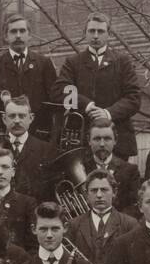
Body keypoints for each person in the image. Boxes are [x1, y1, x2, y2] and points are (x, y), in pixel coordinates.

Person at [50, 13, 144, 161]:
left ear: (109, 35)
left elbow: (133, 99)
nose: (95, 36)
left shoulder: (122, 61)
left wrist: (108, 113)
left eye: (100, 31)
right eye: (91, 31)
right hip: (81, 139)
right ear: (85, 34)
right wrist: (86, 105)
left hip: (117, 140)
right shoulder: (73, 62)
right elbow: (59, 90)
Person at [0, 14, 58, 141]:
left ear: (29, 35)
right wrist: (1, 95)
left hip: (38, 132)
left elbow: (54, 96)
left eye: (22, 31)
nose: (18, 35)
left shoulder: (44, 63)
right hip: (4, 133)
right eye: (13, 31)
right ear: (6, 37)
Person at [0, 95, 52, 201]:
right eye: (12, 116)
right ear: (4, 119)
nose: (17, 120)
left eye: (22, 116)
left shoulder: (46, 149)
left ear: (31, 118)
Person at [67, 169, 138, 264]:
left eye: (104, 190)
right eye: (94, 190)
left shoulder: (130, 224)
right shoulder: (74, 225)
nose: (99, 195)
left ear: (114, 192)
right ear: (87, 194)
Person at [0, 146, 36, 251]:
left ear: (13, 172)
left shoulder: (28, 203)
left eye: (5, 167)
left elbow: (33, 246)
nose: (0, 172)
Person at [84, 121, 140, 209]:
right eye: (97, 139)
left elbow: (133, 207)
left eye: (107, 139)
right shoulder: (80, 168)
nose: (102, 144)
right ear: (89, 141)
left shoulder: (130, 171)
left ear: (115, 140)